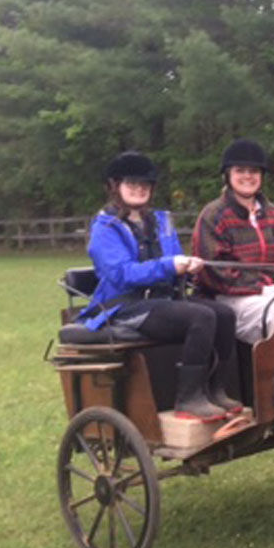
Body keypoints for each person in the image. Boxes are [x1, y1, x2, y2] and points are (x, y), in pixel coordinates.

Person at [78, 151, 243, 422]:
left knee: (224, 314)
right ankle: (188, 399)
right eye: (132, 184)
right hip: (124, 307)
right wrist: (169, 265)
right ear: (115, 186)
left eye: (144, 185)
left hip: (163, 300)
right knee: (200, 317)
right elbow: (122, 274)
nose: (139, 190)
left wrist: (188, 269)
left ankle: (215, 389)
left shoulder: (161, 221)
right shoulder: (104, 229)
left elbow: (172, 263)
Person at [190, 138, 274, 343]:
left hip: (271, 293)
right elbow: (215, 272)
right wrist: (262, 287)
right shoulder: (213, 215)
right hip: (224, 298)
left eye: (253, 171)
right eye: (240, 171)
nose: (247, 176)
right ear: (228, 175)